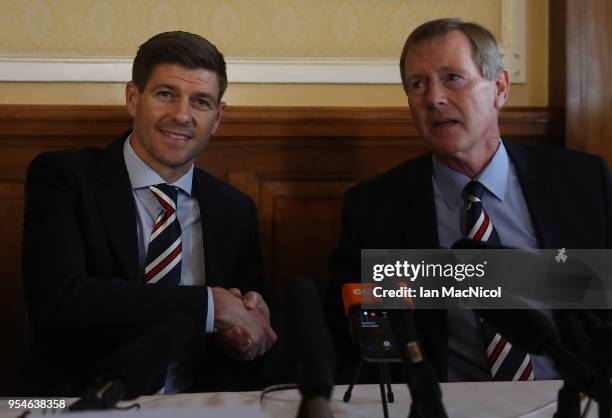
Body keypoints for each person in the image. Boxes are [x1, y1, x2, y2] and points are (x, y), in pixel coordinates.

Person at [327, 18, 611, 382]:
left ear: (499, 88)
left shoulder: (581, 183)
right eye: (418, 84)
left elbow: (601, 298)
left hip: (570, 396)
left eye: (452, 77)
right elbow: (352, 337)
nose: (434, 98)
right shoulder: (374, 208)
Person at [20, 31, 276, 396]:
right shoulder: (64, 177)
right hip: (76, 402)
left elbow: (242, 332)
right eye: (166, 94)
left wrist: (243, 332)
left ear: (217, 118)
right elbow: (59, 300)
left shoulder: (234, 209)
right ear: (132, 98)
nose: (182, 115)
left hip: (197, 404)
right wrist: (208, 305)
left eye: (201, 101)